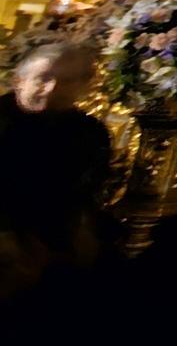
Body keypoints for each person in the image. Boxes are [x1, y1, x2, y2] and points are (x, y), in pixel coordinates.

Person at [1, 41, 114, 329]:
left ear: (83, 87)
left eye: (66, 82)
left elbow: (85, 191)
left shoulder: (91, 132)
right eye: (43, 78)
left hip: (52, 234)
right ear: (19, 80)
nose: (51, 90)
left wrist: (78, 234)